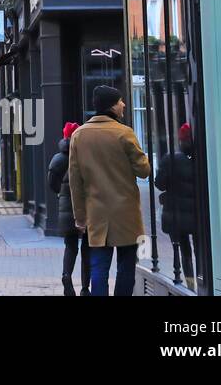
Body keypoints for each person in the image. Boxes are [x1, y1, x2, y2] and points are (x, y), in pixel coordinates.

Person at [69, 85, 152, 296]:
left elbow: (75, 182)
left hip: (97, 215)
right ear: (112, 106)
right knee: (126, 267)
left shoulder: (79, 136)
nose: (123, 104)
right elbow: (144, 171)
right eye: (120, 101)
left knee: (99, 268)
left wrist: (80, 218)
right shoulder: (124, 133)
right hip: (126, 215)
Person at [47, 121, 90, 296]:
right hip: (86, 208)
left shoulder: (58, 159)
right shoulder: (85, 156)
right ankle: (86, 288)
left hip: (66, 208)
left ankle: (66, 275)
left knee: (70, 246)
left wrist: (62, 194)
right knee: (88, 247)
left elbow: (52, 183)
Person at [157, 122, 198, 290]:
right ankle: (202, 277)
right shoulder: (200, 159)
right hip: (196, 213)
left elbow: (160, 183)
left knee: (184, 250)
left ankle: (188, 284)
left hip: (176, 213)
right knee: (199, 249)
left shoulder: (170, 159)